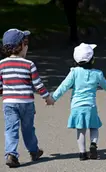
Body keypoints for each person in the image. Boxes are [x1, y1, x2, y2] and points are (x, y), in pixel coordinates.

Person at [47, 43, 106, 160]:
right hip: (91, 106)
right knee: (94, 127)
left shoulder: (74, 72)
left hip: (76, 107)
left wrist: (53, 98)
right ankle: (93, 144)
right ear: (92, 60)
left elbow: (64, 86)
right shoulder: (97, 74)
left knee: (81, 130)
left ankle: (82, 153)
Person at [0, 29, 53, 168]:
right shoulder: (29, 64)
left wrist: (6, 93)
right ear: (21, 46)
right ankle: (34, 151)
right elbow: (38, 84)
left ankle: (11, 154)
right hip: (27, 103)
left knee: (11, 129)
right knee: (28, 128)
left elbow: (0, 86)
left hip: (9, 103)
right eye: (26, 43)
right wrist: (47, 97)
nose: (27, 46)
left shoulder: (1, 65)